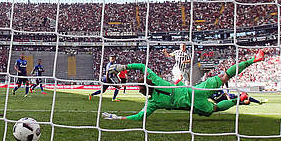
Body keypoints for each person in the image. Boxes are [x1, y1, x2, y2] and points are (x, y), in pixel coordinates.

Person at [102, 49, 265, 120]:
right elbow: (142, 67)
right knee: (223, 76)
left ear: (144, 91)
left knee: (214, 109)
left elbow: (139, 117)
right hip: (196, 90)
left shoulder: (153, 103)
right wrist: (124, 67)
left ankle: (238, 100)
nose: (139, 90)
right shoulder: (157, 81)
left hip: (195, 104)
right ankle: (254, 59)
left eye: (139, 89)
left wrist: (118, 117)